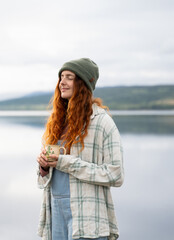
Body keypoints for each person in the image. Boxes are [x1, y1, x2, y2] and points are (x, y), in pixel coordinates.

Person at [36, 58, 124, 240]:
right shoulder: (57, 123)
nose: (62, 82)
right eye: (61, 77)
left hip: (87, 219)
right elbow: (46, 179)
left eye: (69, 77)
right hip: (56, 216)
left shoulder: (102, 122)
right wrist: (44, 168)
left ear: (83, 84)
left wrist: (67, 163)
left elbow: (116, 175)